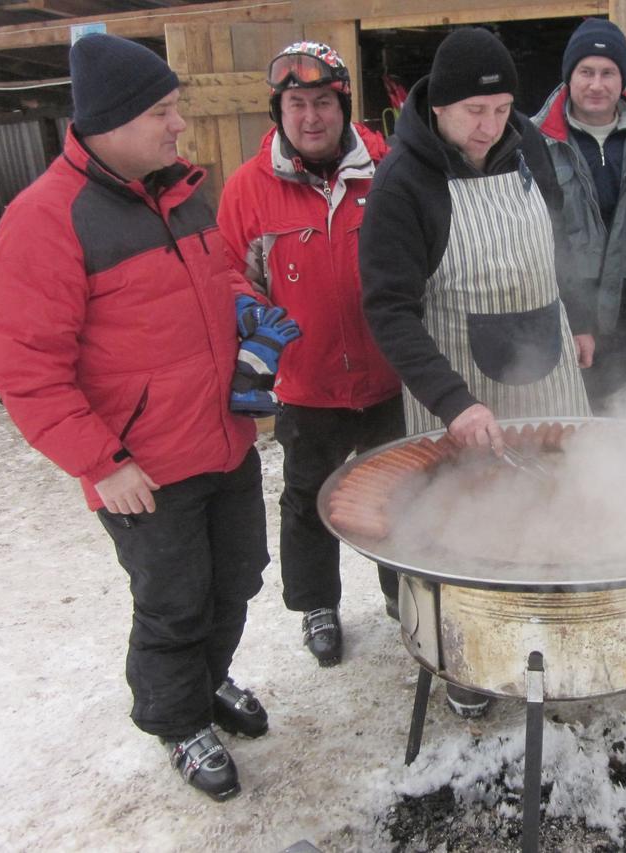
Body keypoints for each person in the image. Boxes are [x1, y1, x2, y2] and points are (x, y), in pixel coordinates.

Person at [0, 34, 284, 802]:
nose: (179, 125)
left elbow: (219, 277)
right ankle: (177, 721)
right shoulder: (47, 219)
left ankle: (206, 685)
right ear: (110, 122)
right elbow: (26, 369)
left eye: (176, 107)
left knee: (239, 578)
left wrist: (252, 316)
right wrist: (102, 462)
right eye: (163, 111)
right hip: (144, 467)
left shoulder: (181, 192)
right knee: (175, 601)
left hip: (223, 438)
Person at [360, 27, 592, 717]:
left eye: (500, 111)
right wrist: (452, 402)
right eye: (474, 114)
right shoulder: (404, 183)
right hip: (460, 384)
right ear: (438, 107)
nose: (490, 128)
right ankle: (466, 656)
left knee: (556, 497)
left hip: (546, 366)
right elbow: (389, 310)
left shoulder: (530, 153)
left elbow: (562, 244)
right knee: (469, 523)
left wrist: (579, 317)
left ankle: (559, 626)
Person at [216, 41, 403, 669]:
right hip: (307, 385)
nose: (311, 117)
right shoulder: (248, 189)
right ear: (279, 112)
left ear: (344, 106)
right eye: (296, 104)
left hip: (389, 377)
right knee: (307, 502)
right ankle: (317, 605)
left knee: (400, 493)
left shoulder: (389, 168)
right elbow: (229, 275)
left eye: (322, 101)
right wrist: (257, 321)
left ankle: (404, 591)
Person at [532, 18, 626, 412]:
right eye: (586, 72)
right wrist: (575, 321)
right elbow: (534, 242)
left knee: (619, 438)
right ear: (569, 76)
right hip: (559, 327)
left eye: (608, 72)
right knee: (562, 437)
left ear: (623, 79)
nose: (597, 84)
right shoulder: (536, 144)